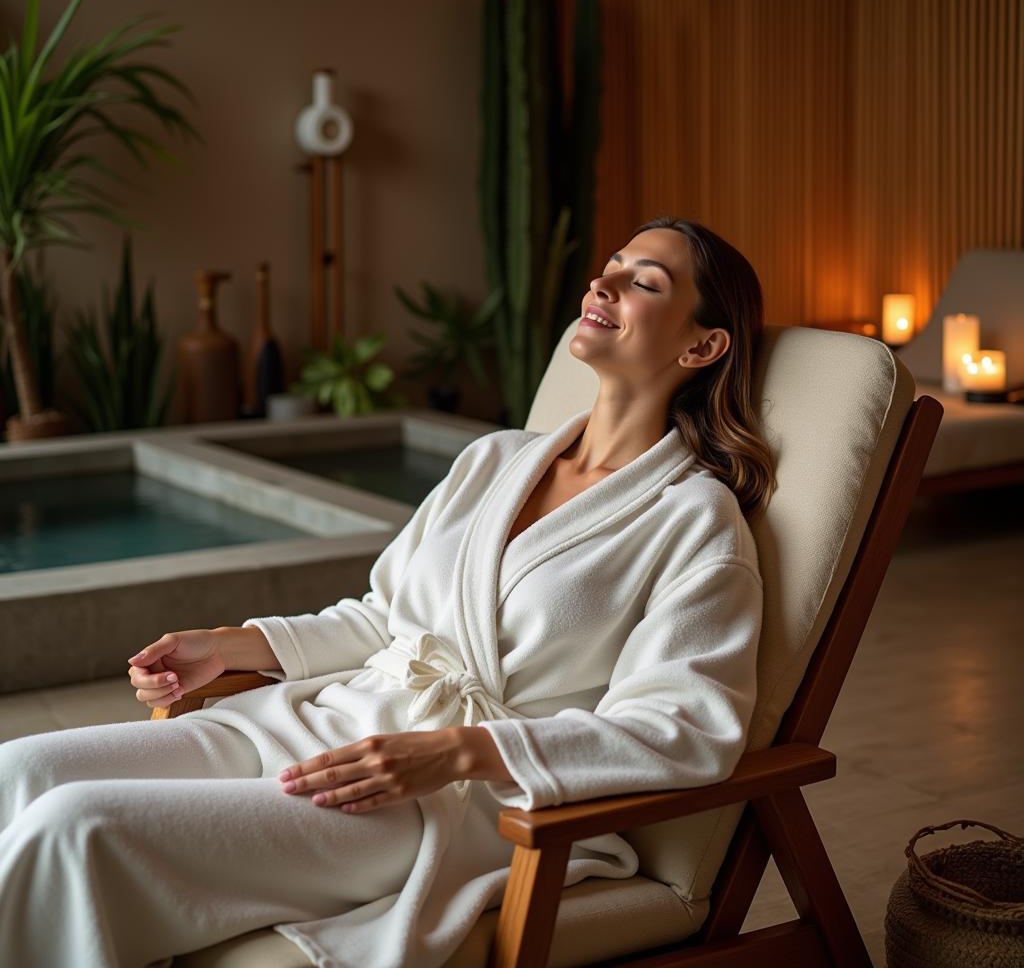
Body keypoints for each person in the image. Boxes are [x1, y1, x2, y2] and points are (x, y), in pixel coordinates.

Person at [0, 216, 775, 968]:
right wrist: (233, 646)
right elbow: (386, 618)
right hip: (323, 716)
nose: (601, 281)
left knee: (81, 826)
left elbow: (687, 729)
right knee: (20, 770)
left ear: (703, 345)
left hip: (444, 796)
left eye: (642, 281)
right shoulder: (497, 459)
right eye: (609, 264)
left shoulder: (694, 519)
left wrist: (461, 751)